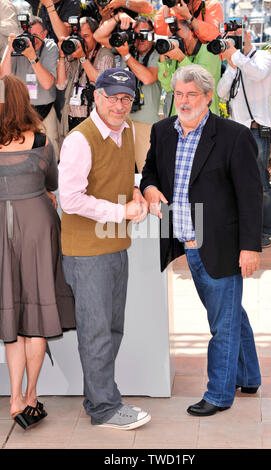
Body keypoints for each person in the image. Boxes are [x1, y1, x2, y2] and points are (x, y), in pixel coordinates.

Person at [140, 64, 262, 416]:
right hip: (188, 244)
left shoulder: (233, 136)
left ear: (208, 97)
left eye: (192, 94)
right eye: (179, 94)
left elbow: (250, 196)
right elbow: (151, 171)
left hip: (222, 243)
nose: (184, 100)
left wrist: (250, 247)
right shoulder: (163, 131)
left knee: (221, 324)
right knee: (230, 313)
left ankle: (220, 394)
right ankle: (248, 375)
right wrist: (148, 188)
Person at [58, 67, 151, 430]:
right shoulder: (80, 140)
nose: (119, 105)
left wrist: (136, 193)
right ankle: (105, 408)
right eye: (112, 97)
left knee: (112, 329)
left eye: (126, 98)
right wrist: (120, 212)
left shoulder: (125, 131)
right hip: (86, 251)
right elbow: (70, 199)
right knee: (97, 331)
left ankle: (97, 397)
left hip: (114, 245)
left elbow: (122, 178)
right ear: (96, 96)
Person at [0, 75, 75, 430]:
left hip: (2, 226)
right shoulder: (43, 141)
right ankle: (31, 396)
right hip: (38, 224)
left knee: (11, 316)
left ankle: (14, 399)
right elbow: (53, 184)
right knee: (35, 316)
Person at [217, 28, 271, 248]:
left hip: (257, 131)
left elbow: (258, 73)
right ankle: (244, 230)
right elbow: (222, 92)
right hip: (237, 132)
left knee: (260, 183)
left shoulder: (263, 57)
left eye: (237, 37)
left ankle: (269, 230)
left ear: (248, 36)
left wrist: (235, 56)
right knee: (238, 182)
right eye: (230, 38)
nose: (233, 41)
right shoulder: (236, 63)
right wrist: (232, 68)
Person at [94, 14, 161, 172]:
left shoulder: (157, 52)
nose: (141, 39)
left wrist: (126, 55)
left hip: (146, 123)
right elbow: (98, 36)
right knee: (122, 171)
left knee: (146, 170)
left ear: (153, 34)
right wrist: (118, 18)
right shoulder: (127, 47)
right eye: (137, 35)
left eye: (145, 34)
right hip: (122, 121)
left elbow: (148, 77)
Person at [0, 16, 60, 159]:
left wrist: (32, 57)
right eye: (28, 34)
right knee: (23, 153)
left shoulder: (49, 47)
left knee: (51, 152)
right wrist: (10, 48)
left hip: (44, 111)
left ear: (44, 34)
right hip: (20, 111)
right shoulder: (17, 45)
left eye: (35, 36)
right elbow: (4, 77)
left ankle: (52, 180)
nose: (31, 39)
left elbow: (47, 83)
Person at [56, 16, 114, 140]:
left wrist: (83, 58)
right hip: (71, 120)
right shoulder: (73, 54)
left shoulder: (104, 55)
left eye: (86, 36)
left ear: (95, 36)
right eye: (79, 37)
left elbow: (100, 83)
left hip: (93, 123)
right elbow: (60, 84)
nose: (82, 41)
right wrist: (62, 56)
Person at [157, 16, 221, 117]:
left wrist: (181, 59)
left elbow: (201, 82)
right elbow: (169, 87)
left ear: (191, 31)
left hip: (203, 120)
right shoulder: (179, 53)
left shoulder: (209, 50)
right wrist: (162, 57)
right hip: (180, 120)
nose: (175, 37)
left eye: (177, 32)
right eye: (171, 36)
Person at [80, 0, 152, 26]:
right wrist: (105, 19)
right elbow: (92, 37)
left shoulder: (119, 1)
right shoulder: (90, 8)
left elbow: (148, 8)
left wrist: (122, 2)